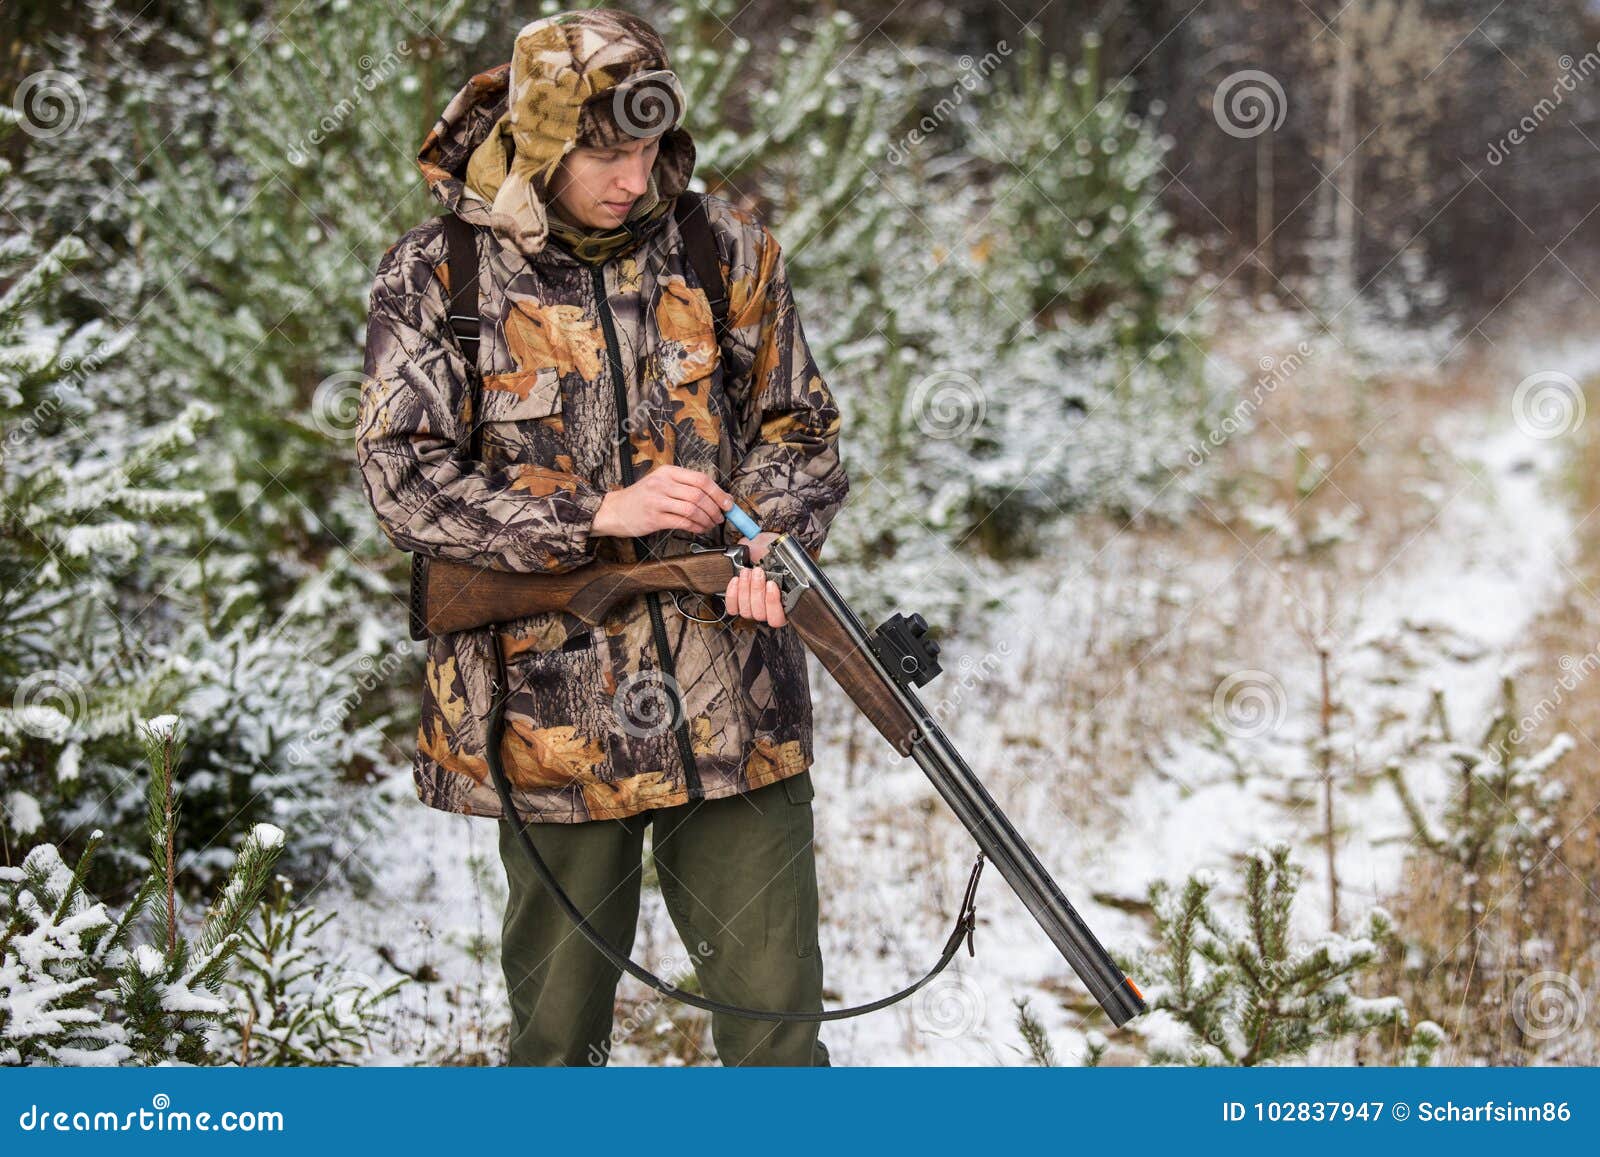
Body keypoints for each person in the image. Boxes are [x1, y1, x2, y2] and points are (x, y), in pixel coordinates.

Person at [355, 8, 849, 1066]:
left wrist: (770, 540)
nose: (634, 180)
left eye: (648, 150)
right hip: (550, 724)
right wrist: (591, 517)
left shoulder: (727, 253)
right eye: (604, 154)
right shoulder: (437, 275)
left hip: (735, 709)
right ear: (541, 141)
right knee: (555, 1041)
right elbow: (400, 477)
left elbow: (799, 430)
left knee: (777, 1036)